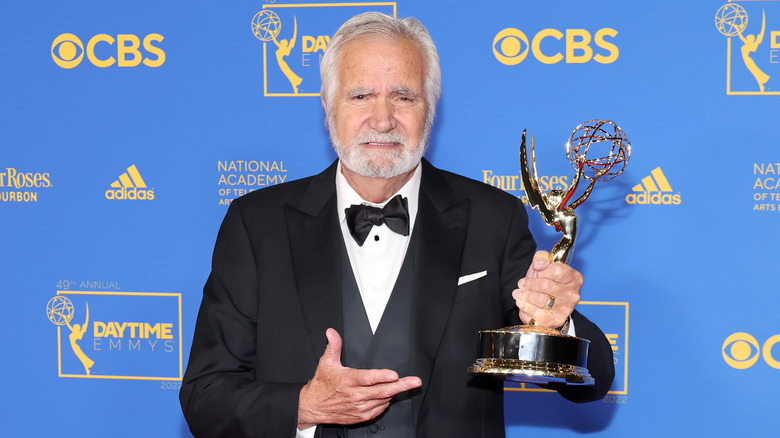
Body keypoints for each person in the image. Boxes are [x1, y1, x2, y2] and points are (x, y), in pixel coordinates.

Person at [180, 12, 614, 438]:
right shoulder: (256, 224)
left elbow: (592, 382)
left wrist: (557, 323)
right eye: (361, 95)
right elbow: (205, 396)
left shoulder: (493, 217)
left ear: (430, 108)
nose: (383, 119)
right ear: (328, 105)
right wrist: (305, 406)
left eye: (404, 97)